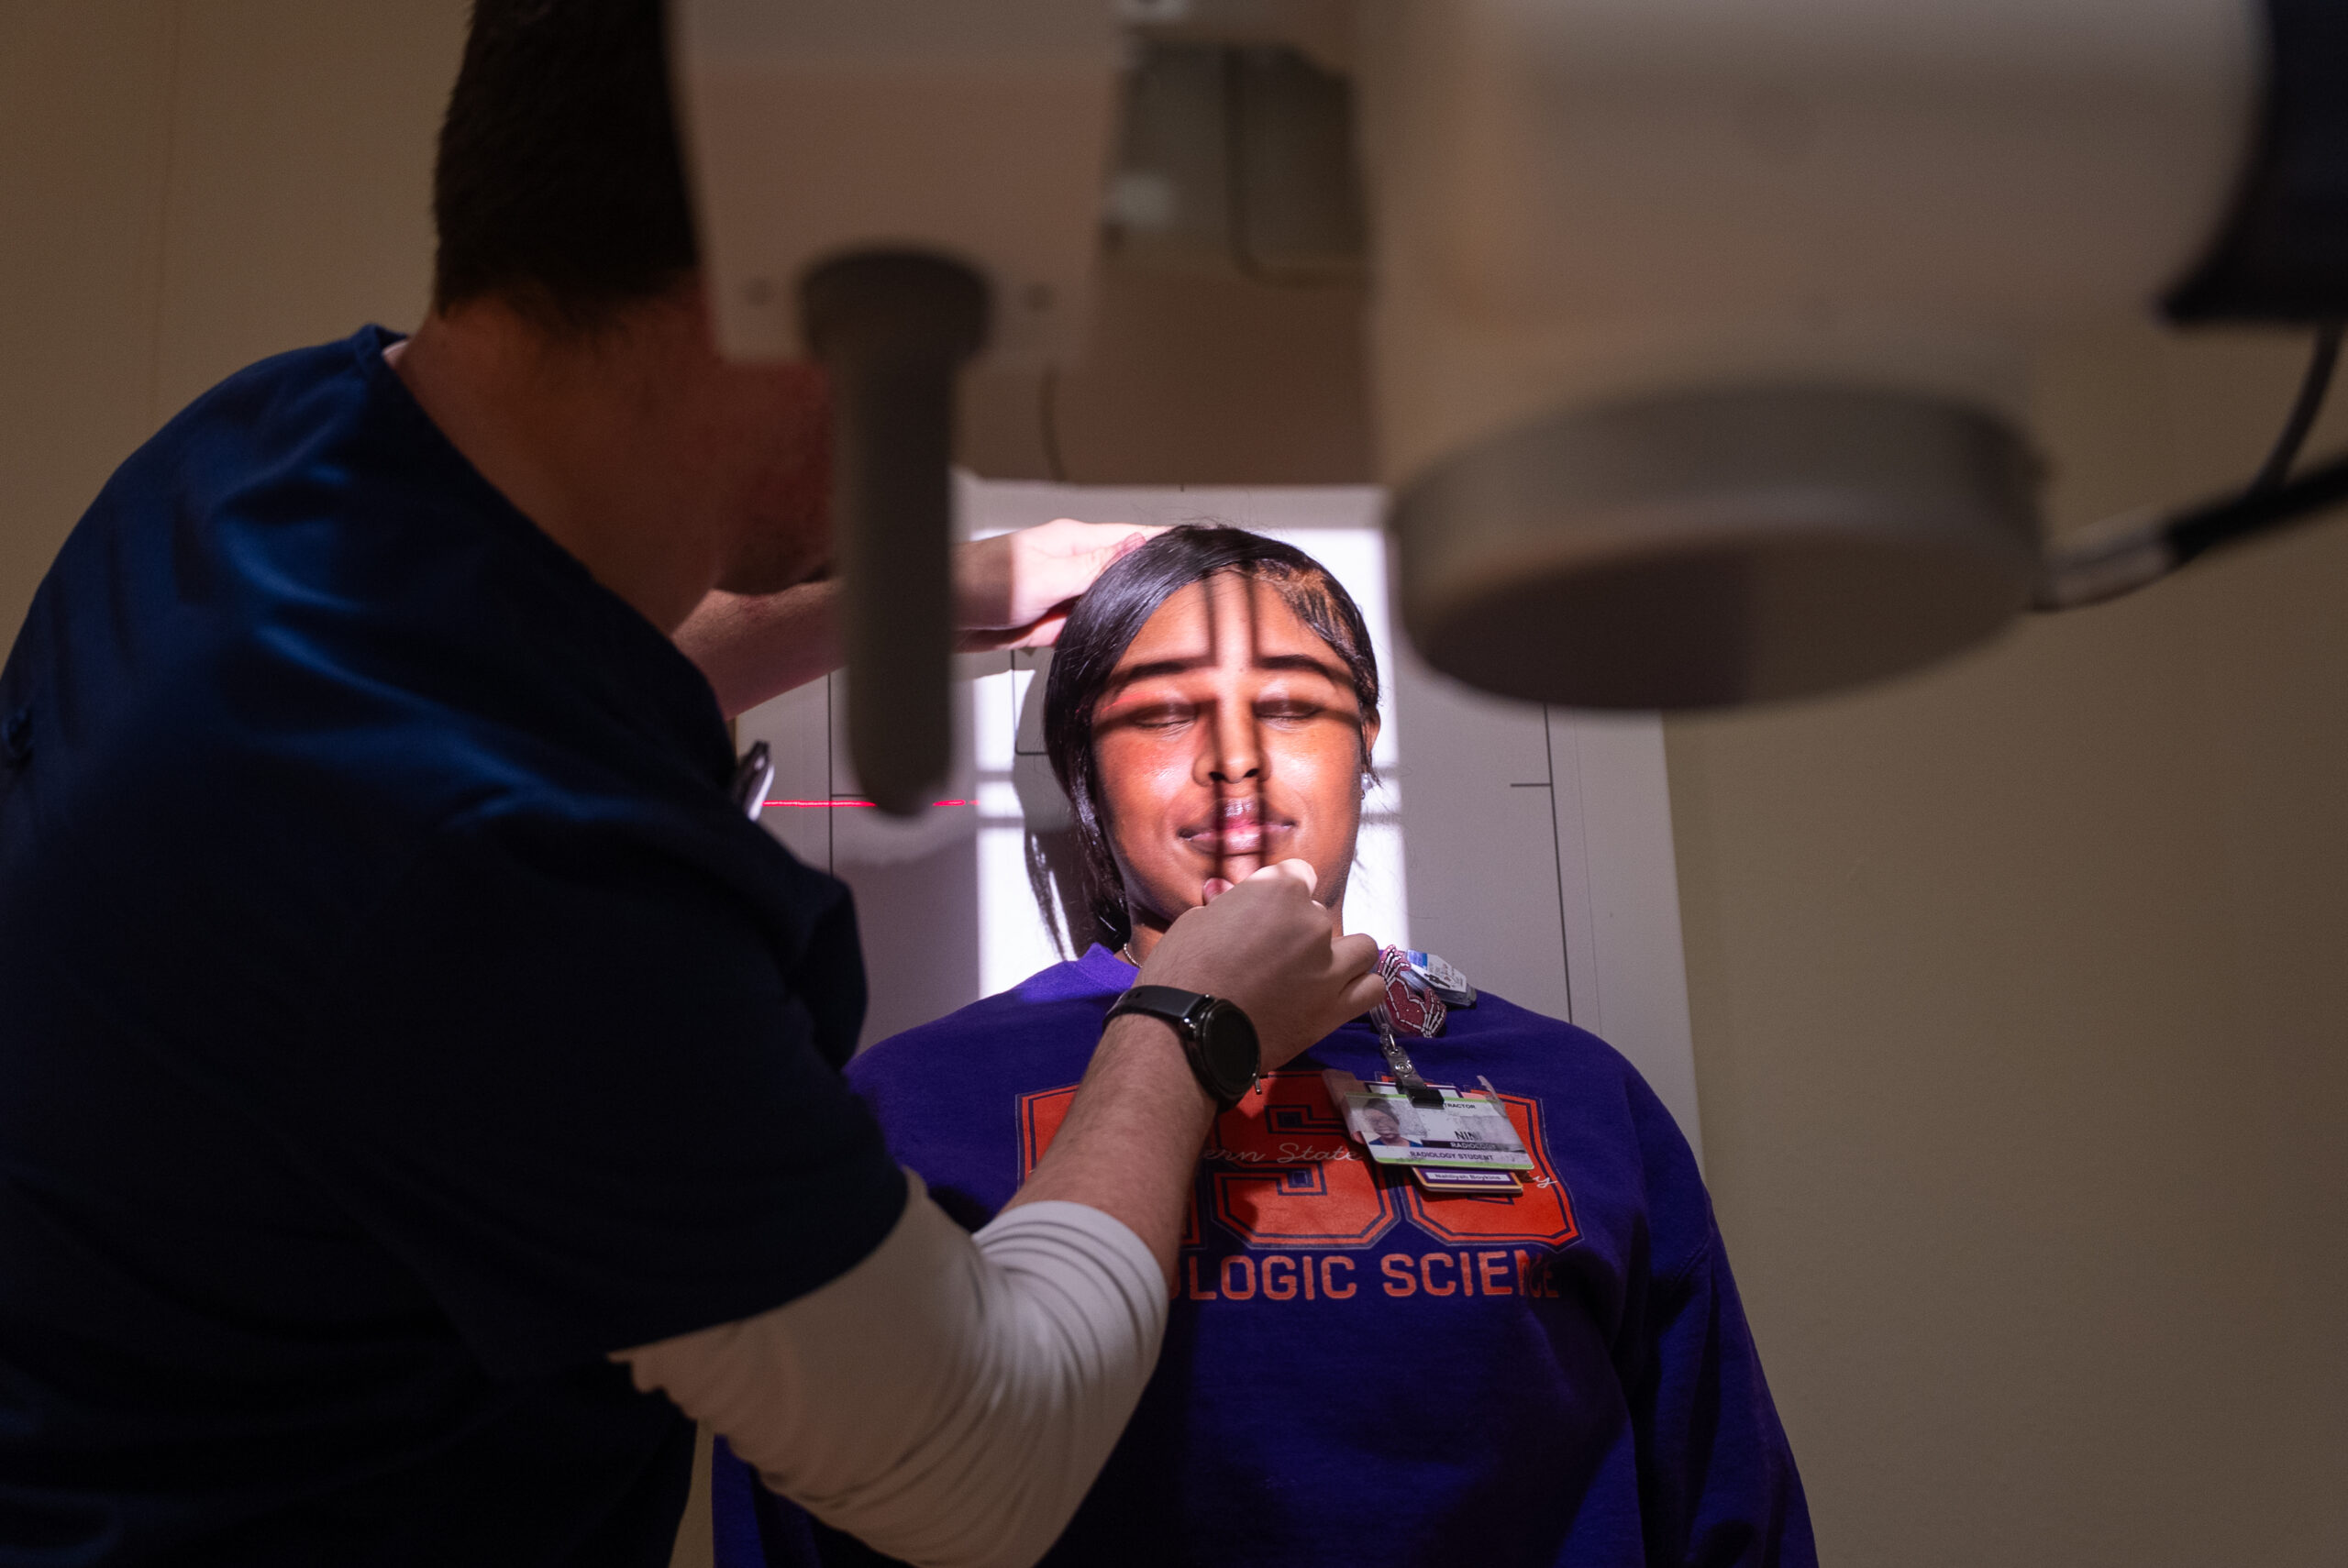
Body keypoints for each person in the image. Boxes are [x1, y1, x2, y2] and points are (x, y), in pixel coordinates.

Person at [0, 6, 1380, 1565]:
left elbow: (521, 659)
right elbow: (979, 1457)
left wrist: (920, 593)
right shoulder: (510, 891)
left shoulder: (260, 452)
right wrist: (1188, 1027)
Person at [720, 527, 1816, 1567]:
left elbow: (1727, 1507)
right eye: (1159, 714)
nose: (1233, 760)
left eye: (1290, 704)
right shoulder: (911, 1102)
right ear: (1080, 767)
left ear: (1366, 740)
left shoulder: (1581, 1096)